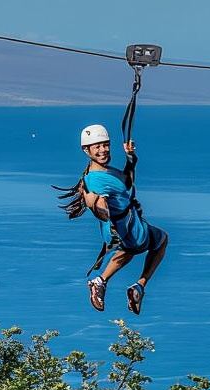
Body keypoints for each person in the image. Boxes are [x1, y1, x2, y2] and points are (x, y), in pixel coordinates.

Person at [65, 123, 169, 314]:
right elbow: (99, 204)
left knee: (126, 253)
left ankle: (101, 282)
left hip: (124, 227)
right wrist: (102, 213)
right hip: (128, 228)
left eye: (105, 145)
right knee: (160, 240)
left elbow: (126, 182)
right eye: (97, 146)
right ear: (86, 150)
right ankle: (139, 286)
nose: (103, 150)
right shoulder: (94, 180)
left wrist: (131, 159)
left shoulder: (105, 171)